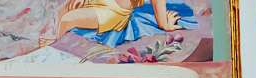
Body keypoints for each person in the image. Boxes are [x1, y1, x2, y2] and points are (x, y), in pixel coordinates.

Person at [55, 0, 195, 47]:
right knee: (63, 11)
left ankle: (51, 46)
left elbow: (163, 24)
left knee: (67, 19)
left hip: (113, 12)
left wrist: (166, 24)